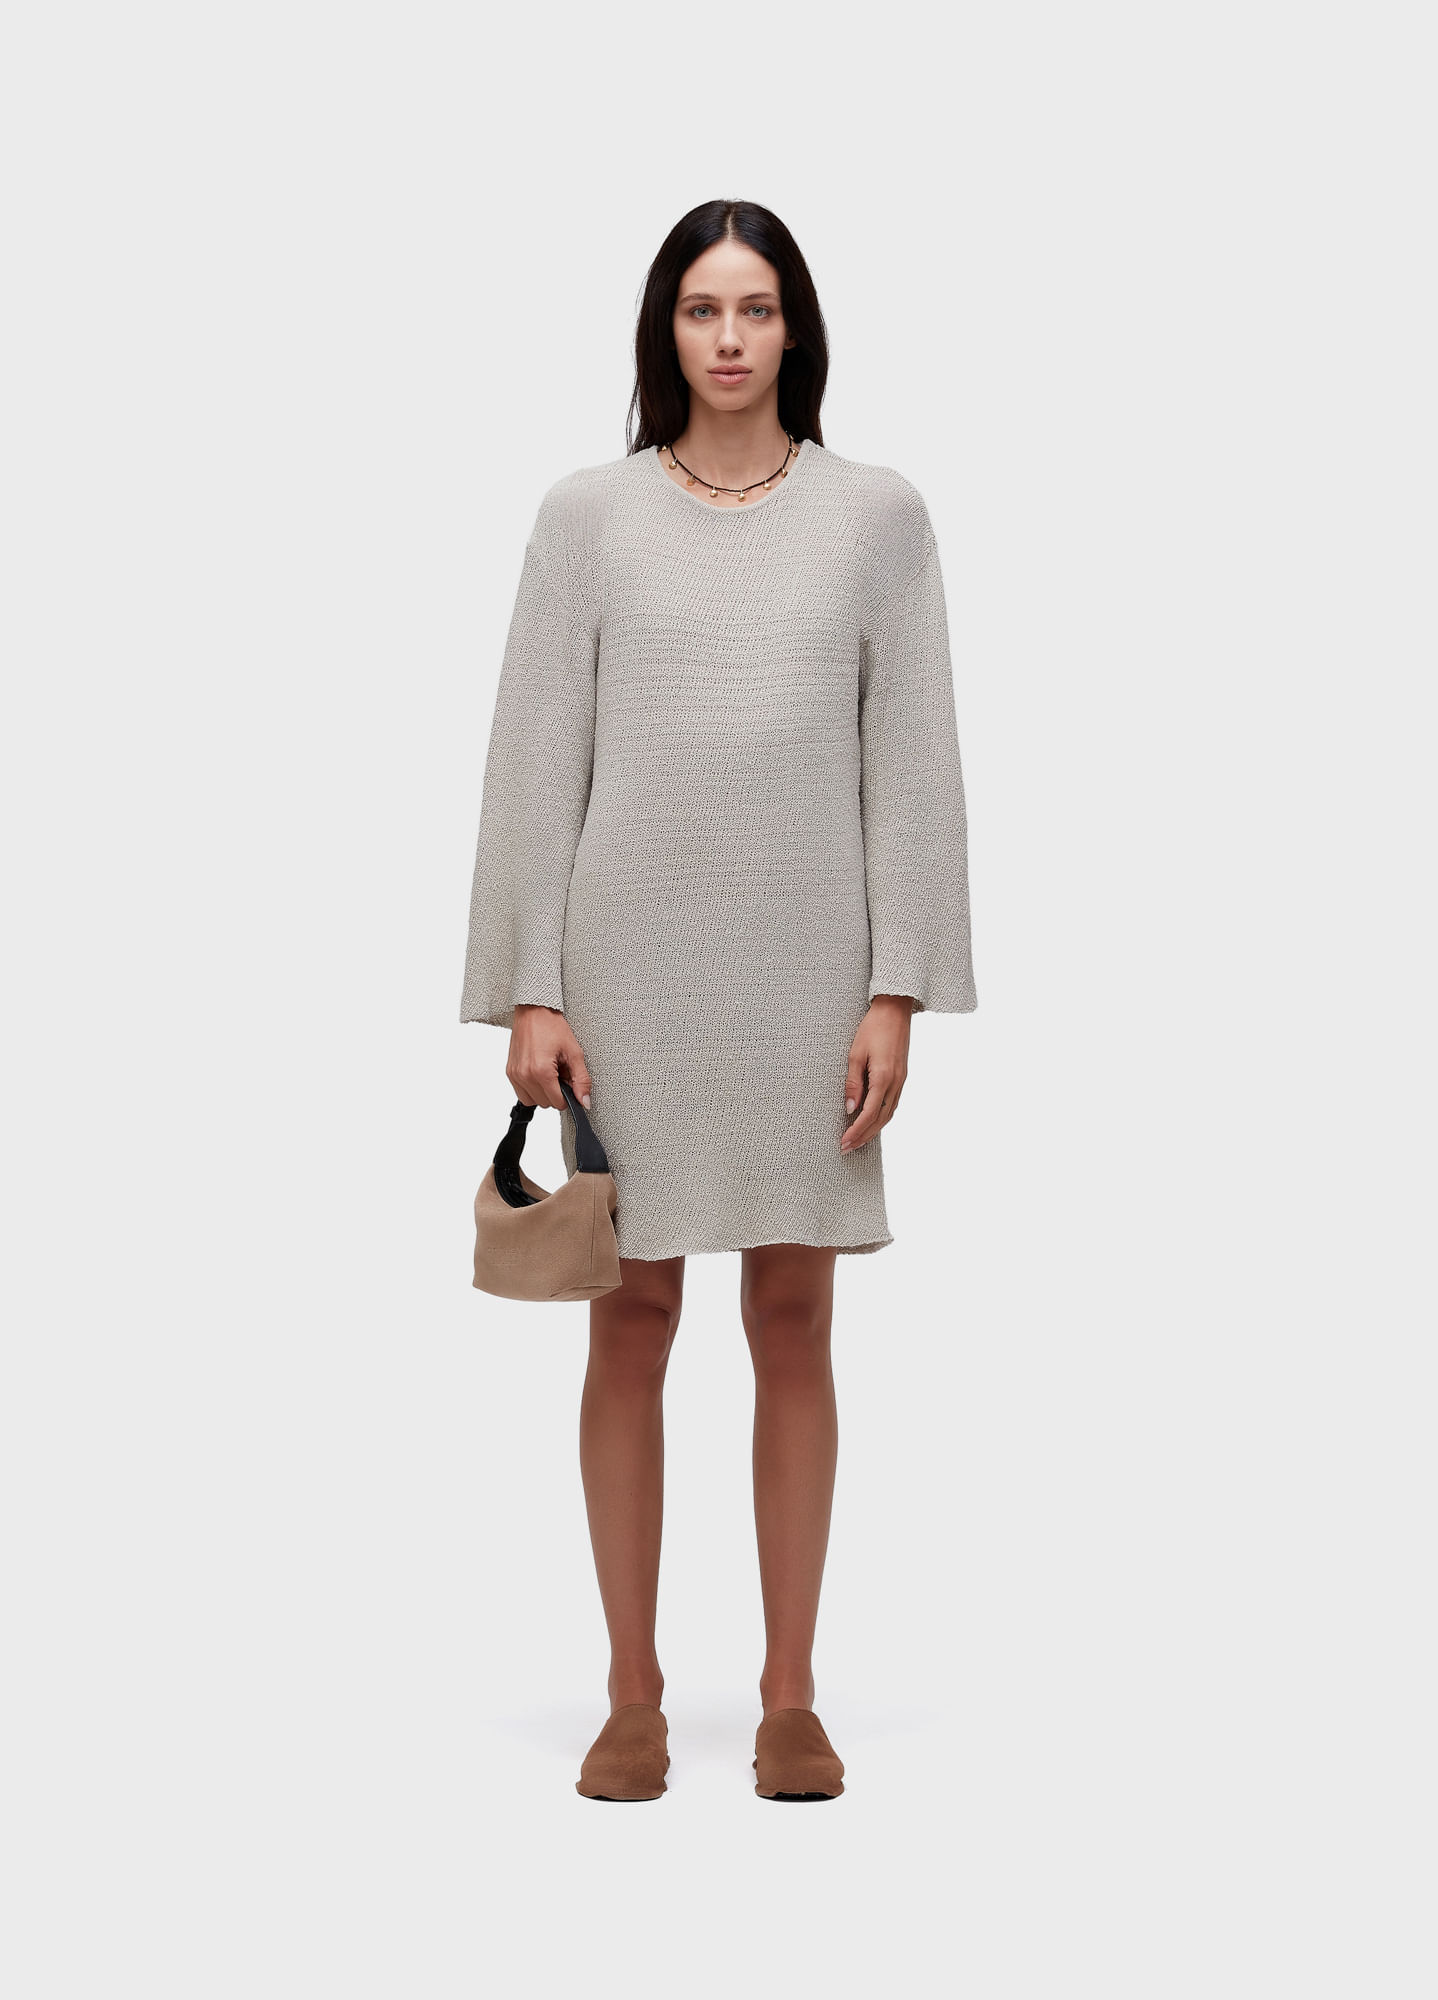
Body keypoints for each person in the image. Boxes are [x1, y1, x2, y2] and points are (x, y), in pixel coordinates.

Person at [460, 198, 978, 1802]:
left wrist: (897, 989)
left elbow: (910, 761)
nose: (731, 337)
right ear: (664, 330)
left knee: (793, 1316)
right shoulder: (586, 518)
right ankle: (632, 1698)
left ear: (795, 327)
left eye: (755, 308)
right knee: (629, 1317)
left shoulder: (876, 517)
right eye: (702, 309)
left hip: (807, 972)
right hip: (625, 974)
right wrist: (528, 989)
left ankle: (788, 1700)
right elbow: (534, 758)